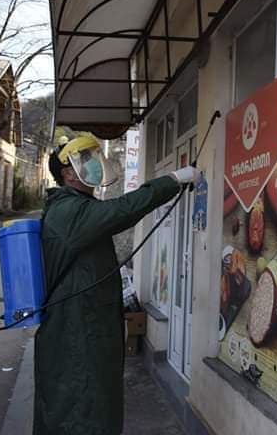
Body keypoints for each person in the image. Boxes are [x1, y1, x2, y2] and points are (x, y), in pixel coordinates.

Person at [34, 136, 199, 435]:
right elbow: (123, 209)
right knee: (82, 416)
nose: (95, 164)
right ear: (68, 174)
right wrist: (172, 181)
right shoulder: (69, 211)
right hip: (76, 338)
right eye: (85, 160)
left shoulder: (78, 207)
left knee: (94, 410)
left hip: (84, 330)